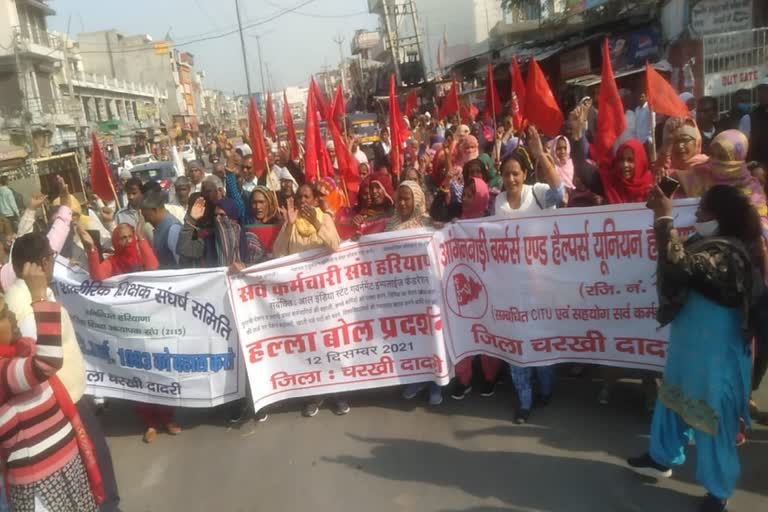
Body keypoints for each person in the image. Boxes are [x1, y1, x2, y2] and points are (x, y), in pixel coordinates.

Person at [628, 184, 763, 512]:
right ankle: (661, 457)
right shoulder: (703, 241)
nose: (698, 213)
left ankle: (718, 490)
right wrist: (660, 217)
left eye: (703, 209)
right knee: (673, 398)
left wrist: (664, 217)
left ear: (719, 217)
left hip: (717, 354)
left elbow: (681, 265)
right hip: (690, 346)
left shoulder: (731, 253)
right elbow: (672, 263)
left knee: (713, 417)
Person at [5, 233, 120, 510]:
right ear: (44, 262)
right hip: (63, 406)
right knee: (95, 468)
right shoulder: (25, 304)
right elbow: (41, 360)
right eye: (52, 258)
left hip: (68, 400)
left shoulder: (37, 291)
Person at [493, 136, 563, 424]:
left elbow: (560, 192)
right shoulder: (497, 200)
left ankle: (546, 389)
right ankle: (524, 401)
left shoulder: (538, 193)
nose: (511, 179)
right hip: (510, 284)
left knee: (540, 339)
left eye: (516, 173)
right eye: (506, 174)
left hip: (541, 283)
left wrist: (541, 155)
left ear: (524, 174)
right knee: (516, 342)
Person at [273, 184, 343, 417]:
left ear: (314, 199)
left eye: (307, 196)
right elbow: (278, 254)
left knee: (330, 344)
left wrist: (316, 223)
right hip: (301, 296)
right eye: (299, 196)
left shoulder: (324, 219)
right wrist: (289, 225)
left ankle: (337, 393)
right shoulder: (291, 224)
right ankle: (314, 395)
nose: (302, 200)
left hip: (325, 294)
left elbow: (334, 245)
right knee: (310, 346)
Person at [450, 177, 503, 399]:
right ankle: (464, 379)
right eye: (466, 192)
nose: (468, 196)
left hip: (486, 287)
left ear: (482, 195)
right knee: (462, 332)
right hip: (460, 288)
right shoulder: (454, 223)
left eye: (473, 192)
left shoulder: (491, 225)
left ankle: (490, 376)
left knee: (487, 331)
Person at [657, 117, 710, 197]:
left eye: (685, 140)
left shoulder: (708, 168)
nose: (680, 146)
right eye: (674, 141)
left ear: (697, 142)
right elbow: (662, 200)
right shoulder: (666, 171)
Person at [139, 190, 182, 269]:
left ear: (154, 210)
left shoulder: (173, 229)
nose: (146, 220)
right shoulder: (160, 227)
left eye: (146, 216)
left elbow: (182, 263)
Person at [746, 78, 768, 168]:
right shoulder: (749, 118)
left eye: (766, 91)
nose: (763, 95)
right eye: (761, 91)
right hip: (757, 171)